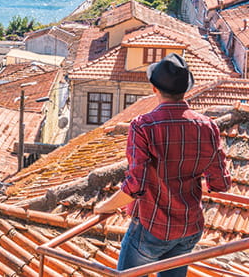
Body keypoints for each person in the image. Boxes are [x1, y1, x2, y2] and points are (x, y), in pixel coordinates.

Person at [93, 53, 231, 277]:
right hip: (189, 227)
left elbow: (137, 185)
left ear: (154, 89)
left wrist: (104, 207)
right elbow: (220, 183)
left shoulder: (143, 126)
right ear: (185, 89)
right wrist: (191, 183)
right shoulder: (207, 126)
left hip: (152, 229)